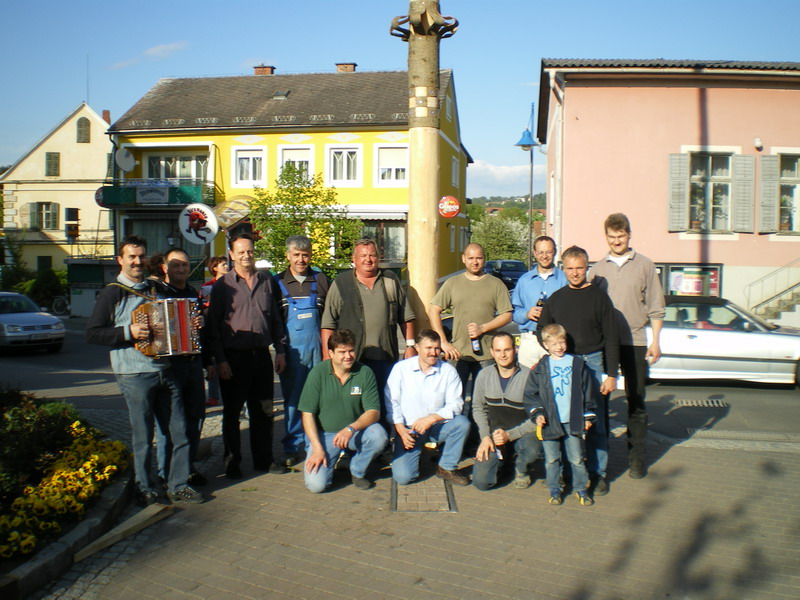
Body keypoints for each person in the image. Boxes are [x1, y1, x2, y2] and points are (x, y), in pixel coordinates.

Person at [86, 235, 203, 505]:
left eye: (141, 256)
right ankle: (145, 486)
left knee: (179, 431)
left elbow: (175, 317)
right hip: (134, 374)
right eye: (131, 257)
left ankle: (178, 484)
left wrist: (193, 321)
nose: (137, 261)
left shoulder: (155, 288)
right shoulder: (112, 292)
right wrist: (128, 331)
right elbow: (92, 333)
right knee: (143, 435)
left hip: (165, 368)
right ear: (120, 260)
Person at [588, 213, 666, 480]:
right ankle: (600, 461)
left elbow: (656, 306)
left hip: (635, 342)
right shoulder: (597, 270)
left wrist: (656, 341)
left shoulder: (645, 265)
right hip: (605, 345)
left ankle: (637, 459)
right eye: (612, 237)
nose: (616, 241)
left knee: (636, 401)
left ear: (629, 235)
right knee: (600, 402)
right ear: (606, 237)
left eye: (621, 236)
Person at [206, 233, 288, 479]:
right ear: (231, 255)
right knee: (232, 414)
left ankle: (264, 460)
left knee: (264, 411)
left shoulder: (267, 281)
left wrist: (280, 350)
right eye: (240, 252)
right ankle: (232, 463)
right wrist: (220, 360)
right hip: (233, 359)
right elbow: (213, 327)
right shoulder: (222, 286)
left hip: (261, 356)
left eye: (249, 251)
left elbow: (275, 320)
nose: (246, 255)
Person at [538, 245, 618, 496]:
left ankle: (598, 473)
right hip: (565, 362)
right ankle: (565, 472)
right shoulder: (556, 299)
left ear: (586, 268)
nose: (575, 273)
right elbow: (542, 329)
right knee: (563, 418)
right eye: (570, 268)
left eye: (580, 268)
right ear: (564, 268)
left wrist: (612, 374)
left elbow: (611, 336)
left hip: (593, 363)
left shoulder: (599, 298)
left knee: (596, 420)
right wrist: (552, 350)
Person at [321, 238, 416, 415]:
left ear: (378, 258)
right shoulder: (341, 283)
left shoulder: (390, 280)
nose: (368, 259)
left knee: (385, 404)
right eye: (363, 255)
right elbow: (328, 324)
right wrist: (328, 357)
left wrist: (410, 346)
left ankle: (383, 432)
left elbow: (406, 317)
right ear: (354, 259)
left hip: (385, 358)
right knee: (353, 406)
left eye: (372, 255)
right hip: (351, 359)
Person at [298, 329, 388, 492]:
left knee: (379, 436)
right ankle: (332, 461)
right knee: (317, 486)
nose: (348, 356)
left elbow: (374, 412)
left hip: (354, 432)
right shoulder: (318, 373)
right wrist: (317, 447)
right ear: (331, 353)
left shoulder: (365, 372)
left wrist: (350, 429)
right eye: (342, 352)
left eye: (351, 351)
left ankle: (357, 470)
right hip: (325, 434)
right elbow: (307, 414)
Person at [428, 243, 512, 404]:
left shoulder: (496, 284)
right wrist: (443, 343)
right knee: (453, 402)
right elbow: (433, 311)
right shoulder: (453, 283)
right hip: (458, 354)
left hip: (487, 355)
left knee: (483, 403)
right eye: (471, 258)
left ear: (484, 259)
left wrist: (483, 328)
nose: (475, 262)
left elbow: (507, 315)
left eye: (479, 258)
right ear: (463, 259)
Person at [385, 330, 471, 486]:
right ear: (417, 348)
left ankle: (446, 467)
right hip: (409, 430)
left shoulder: (448, 371)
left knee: (462, 423)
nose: (434, 352)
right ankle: (413, 452)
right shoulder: (401, 369)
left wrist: (431, 419)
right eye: (429, 348)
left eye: (437, 348)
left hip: (437, 426)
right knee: (404, 478)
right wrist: (400, 429)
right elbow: (392, 402)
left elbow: (456, 404)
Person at [154, 247, 209, 487]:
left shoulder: (192, 292)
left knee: (196, 417)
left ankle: (187, 468)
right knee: (170, 423)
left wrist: (201, 321)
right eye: (176, 265)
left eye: (185, 265)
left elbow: (201, 326)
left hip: (193, 363)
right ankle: (165, 472)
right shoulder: (156, 292)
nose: (181, 269)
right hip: (169, 366)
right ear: (165, 268)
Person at [525, 324, 597, 506]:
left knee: (577, 458)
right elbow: (531, 394)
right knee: (551, 459)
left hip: (573, 420)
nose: (559, 347)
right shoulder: (540, 367)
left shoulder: (577, 364)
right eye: (554, 344)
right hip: (550, 421)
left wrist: (588, 416)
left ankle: (581, 488)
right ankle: (554, 488)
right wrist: (537, 413)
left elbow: (587, 391)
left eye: (562, 342)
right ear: (546, 345)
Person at [275, 235, 330, 467]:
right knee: (292, 401)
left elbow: (331, 318)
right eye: (296, 255)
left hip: (319, 351)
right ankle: (292, 445)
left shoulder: (321, 280)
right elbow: (275, 323)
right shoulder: (277, 283)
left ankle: (315, 443)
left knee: (318, 399)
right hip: (292, 354)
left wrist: (329, 351)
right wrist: (279, 351)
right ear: (288, 255)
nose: (301, 259)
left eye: (305, 255)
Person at [471, 332, 541, 491]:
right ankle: (505, 461)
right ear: (492, 352)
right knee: (482, 483)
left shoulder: (529, 376)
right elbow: (478, 408)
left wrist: (510, 435)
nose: (502, 355)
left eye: (507, 350)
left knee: (533, 449)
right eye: (498, 350)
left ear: (515, 349)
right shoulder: (484, 375)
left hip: (522, 434)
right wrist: (485, 437)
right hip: (494, 436)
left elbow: (537, 416)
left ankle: (521, 468)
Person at [511, 236, 568, 369]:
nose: (544, 256)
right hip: (530, 340)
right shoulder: (524, 281)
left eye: (548, 252)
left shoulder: (564, 280)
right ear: (535, 253)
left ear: (554, 252)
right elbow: (513, 313)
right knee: (527, 379)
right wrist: (527, 314)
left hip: (555, 340)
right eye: (541, 252)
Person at [200, 256, 228, 407]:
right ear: (215, 268)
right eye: (223, 264)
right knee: (214, 362)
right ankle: (213, 395)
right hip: (212, 327)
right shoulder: (207, 287)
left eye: (226, 264)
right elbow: (203, 307)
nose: (226, 266)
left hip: (229, 329)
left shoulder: (233, 283)